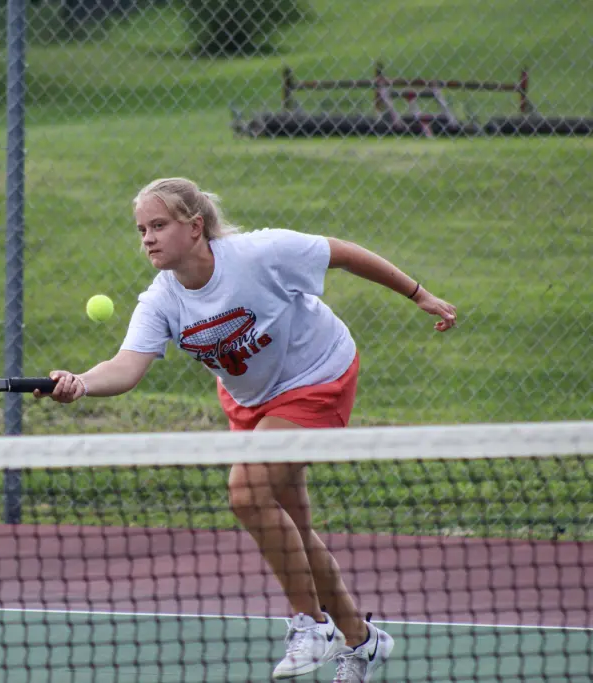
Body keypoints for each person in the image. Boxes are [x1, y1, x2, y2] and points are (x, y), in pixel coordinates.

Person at [36, 177, 458, 682]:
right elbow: (126, 366)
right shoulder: (161, 301)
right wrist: (80, 383)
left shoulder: (259, 254)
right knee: (293, 531)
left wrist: (419, 294)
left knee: (245, 492)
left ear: (195, 227)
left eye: (159, 225)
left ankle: (311, 623)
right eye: (141, 229)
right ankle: (362, 642)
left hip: (317, 377)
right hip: (249, 400)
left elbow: (343, 254)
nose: (147, 238)